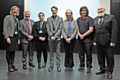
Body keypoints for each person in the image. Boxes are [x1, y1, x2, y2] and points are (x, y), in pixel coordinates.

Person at [93, 6, 117, 79]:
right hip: (98, 41)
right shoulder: (95, 19)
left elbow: (114, 30)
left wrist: (113, 41)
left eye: (101, 9)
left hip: (108, 41)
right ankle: (102, 69)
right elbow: (95, 31)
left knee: (109, 57)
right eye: (98, 9)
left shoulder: (111, 17)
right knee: (100, 57)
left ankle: (109, 72)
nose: (100, 10)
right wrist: (94, 40)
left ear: (104, 9)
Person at [3, 6, 20, 72]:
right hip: (9, 36)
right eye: (14, 10)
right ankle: (9, 64)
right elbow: (5, 28)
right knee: (9, 51)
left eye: (17, 10)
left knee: (13, 51)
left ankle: (12, 63)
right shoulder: (8, 17)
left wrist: (18, 38)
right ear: (11, 11)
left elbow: (17, 29)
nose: (15, 11)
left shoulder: (17, 19)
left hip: (15, 37)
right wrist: (7, 37)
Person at [77, 6, 94, 73]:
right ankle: (81, 65)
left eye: (84, 11)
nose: (83, 12)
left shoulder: (90, 19)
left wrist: (83, 35)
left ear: (87, 11)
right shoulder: (78, 19)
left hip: (88, 39)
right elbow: (77, 28)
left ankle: (89, 66)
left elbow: (91, 29)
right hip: (80, 39)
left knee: (88, 53)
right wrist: (79, 35)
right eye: (82, 11)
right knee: (80, 53)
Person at [47, 6, 63, 72]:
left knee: (58, 53)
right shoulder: (48, 19)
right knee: (51, 52)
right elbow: (48, 28)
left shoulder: (60, 19)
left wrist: (55, 36)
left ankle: (58, 66)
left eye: (55, 10)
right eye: (53, 10)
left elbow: (60, 28)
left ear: (57, 11)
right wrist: (51, 35)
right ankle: (51, 65)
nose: (54, 11)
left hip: (57, 38)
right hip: (50, 38)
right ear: (51, 11)